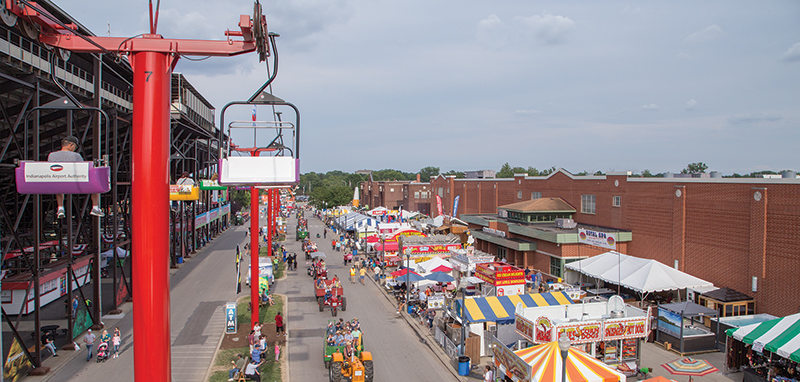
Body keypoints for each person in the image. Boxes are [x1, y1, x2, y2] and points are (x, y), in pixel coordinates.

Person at [49, 136, 104, 218]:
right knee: (96, 183)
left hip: (58, 184)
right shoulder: (76, 156)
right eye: (75, 146)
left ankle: (60, 208)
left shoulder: (51, 155)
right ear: (71, 145)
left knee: (58, 181)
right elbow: (83, 170)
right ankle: (95, 207)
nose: (75, 149)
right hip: (75, 184)